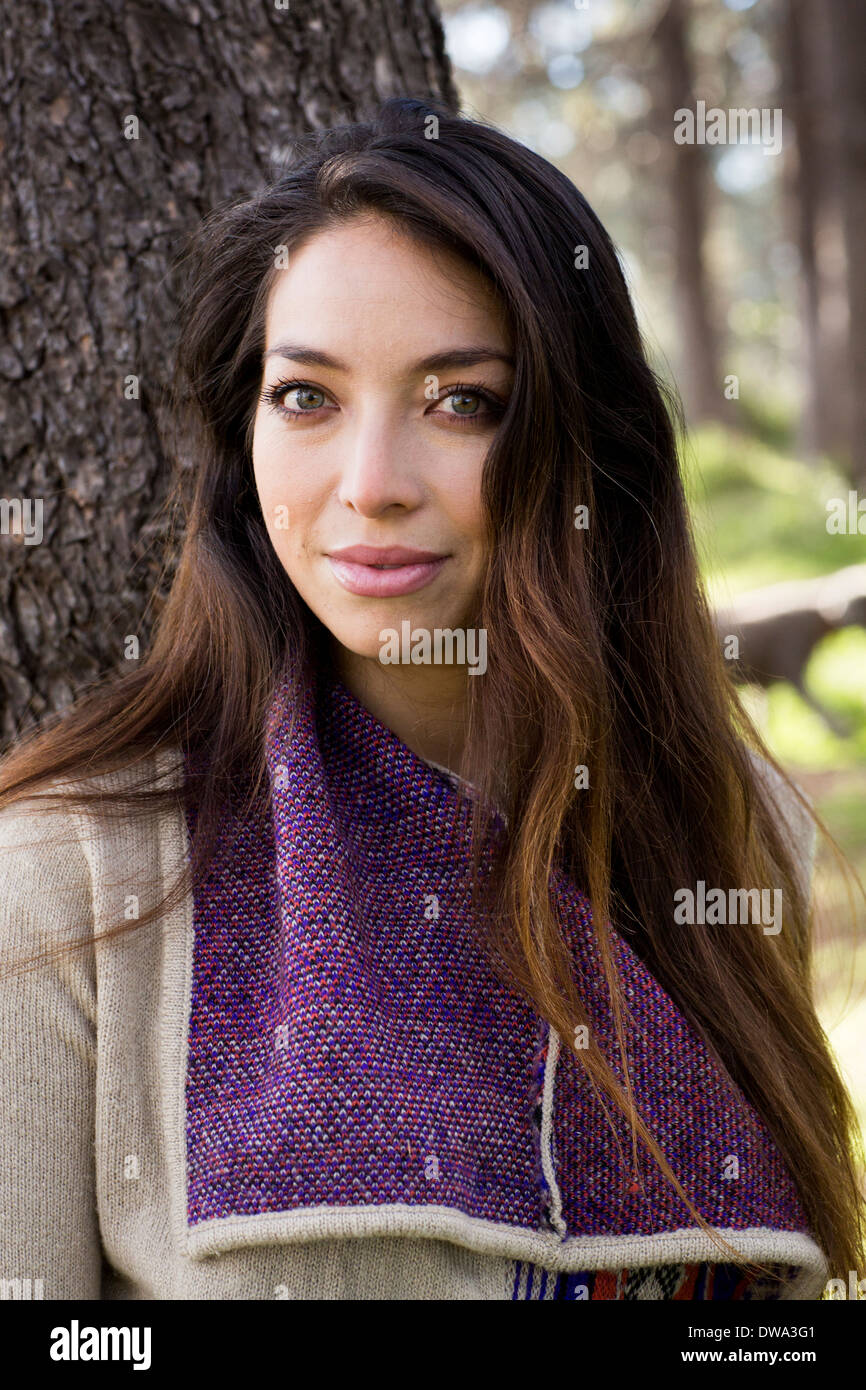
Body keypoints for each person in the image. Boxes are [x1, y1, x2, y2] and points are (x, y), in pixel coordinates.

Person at [0, 97, 862, 1302]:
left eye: (462, 400)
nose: (370, 485)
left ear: (585, 443)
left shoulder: (722, 819)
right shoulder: (68, 875)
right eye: (306, 396)